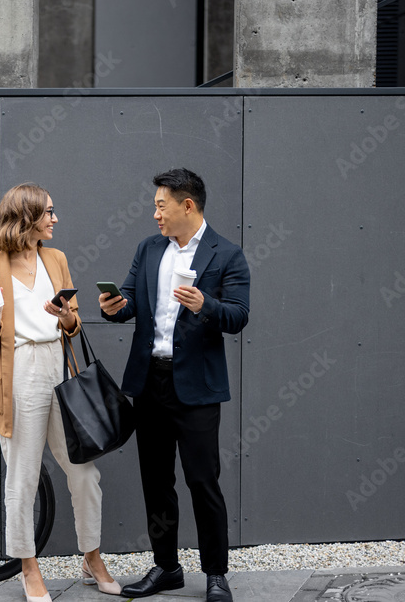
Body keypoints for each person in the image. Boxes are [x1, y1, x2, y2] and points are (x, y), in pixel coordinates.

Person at [99, 168, 249, 602]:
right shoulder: (149, 250)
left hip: (197, 388)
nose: (155, 214)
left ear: (188, 205)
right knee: (156, 480)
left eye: (161, 205)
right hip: (150, 383)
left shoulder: (227, 255)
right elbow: (127, 302)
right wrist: (113, 306)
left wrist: (207, 305)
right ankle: (166, 567)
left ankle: (216, 574)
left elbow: (239, 316)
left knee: (203, 481)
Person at [0, 183, 120, 602]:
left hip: (60, 367)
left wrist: (66, 316)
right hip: (19, 372)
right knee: (22, 479)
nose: (55, 219)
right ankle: (28, 566)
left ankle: (91, 557)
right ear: (27, 217)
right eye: (49, 212)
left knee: (85, 472)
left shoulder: (55, 259)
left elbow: (73, 326)